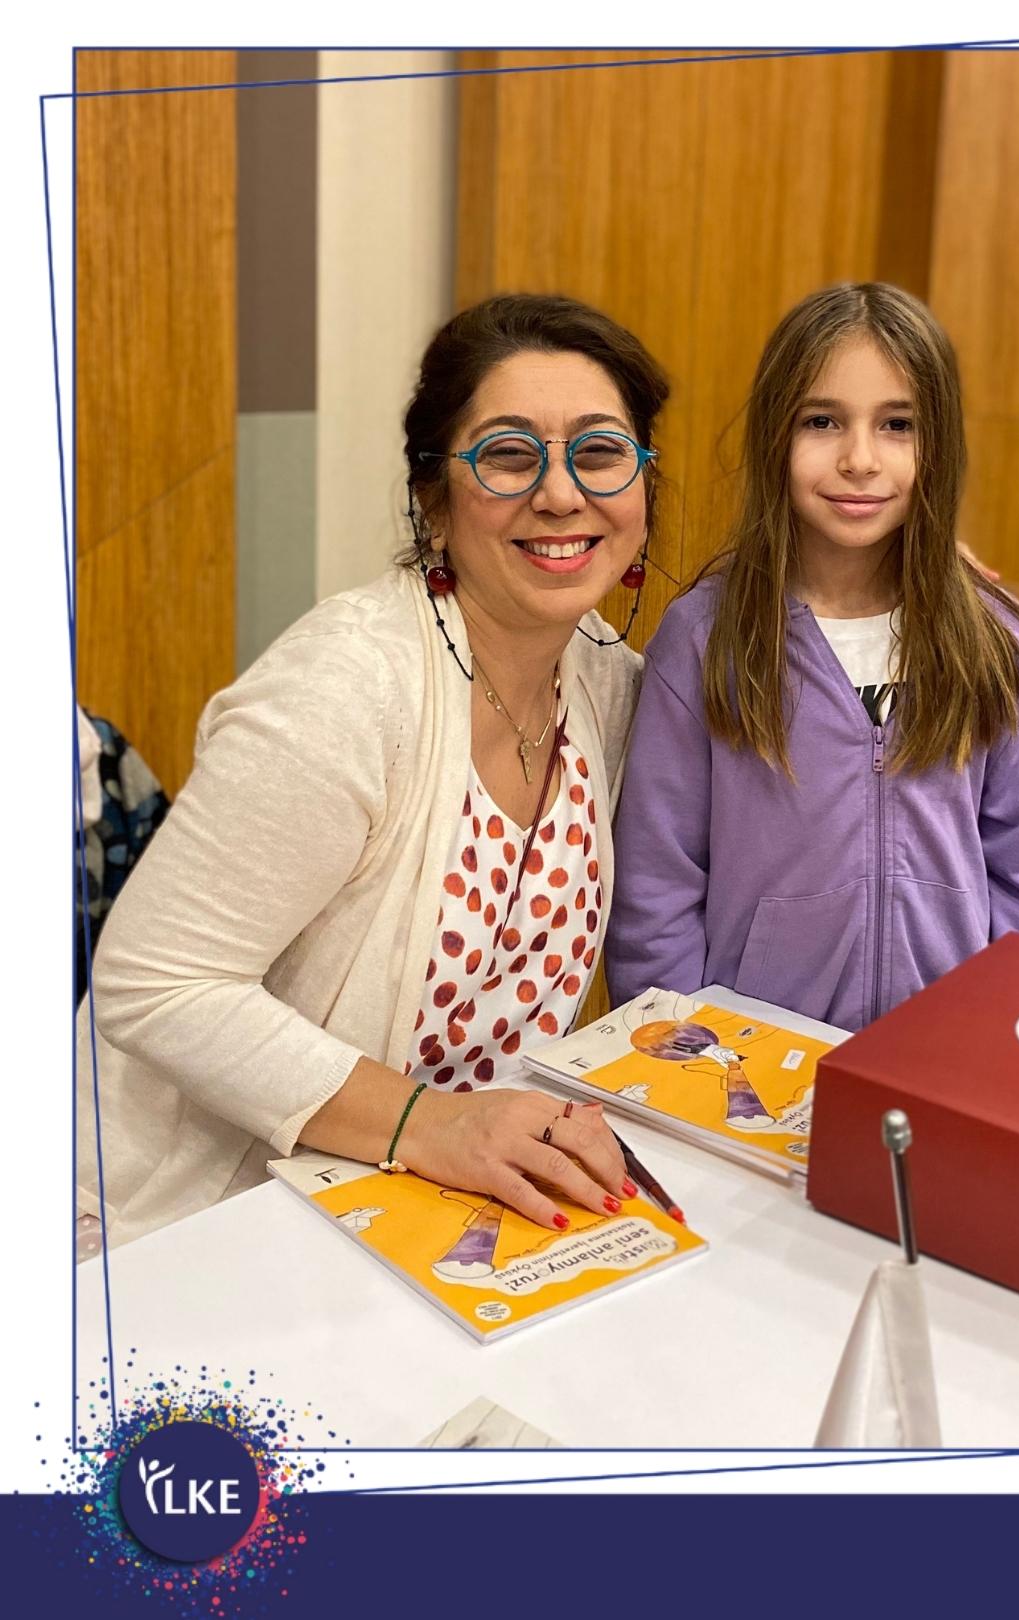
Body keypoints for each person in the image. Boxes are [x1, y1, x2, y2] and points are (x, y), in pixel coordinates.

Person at [77, 293, 665, 1247]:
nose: (561, 494)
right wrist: (428, 1125)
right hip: (194, 1230)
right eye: (507, 454)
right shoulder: (346, 688)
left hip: (426, 1216)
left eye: (599, 452)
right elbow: (155, 981)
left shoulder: (607, 682)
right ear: (434, 497)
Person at [606, 282, 1019, 1031]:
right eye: (822, 421)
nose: (860, 459)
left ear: (939, 445)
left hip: (939, 1063)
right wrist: (678, 1053)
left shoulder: (1001, 648)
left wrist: (1001, 1060)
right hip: (743, 1068)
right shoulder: (705, 638)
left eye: (898, 424)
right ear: (776, 436)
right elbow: (657, 889)